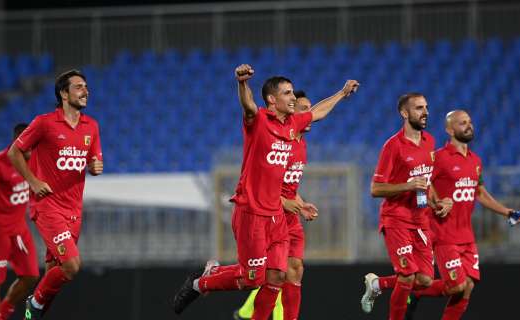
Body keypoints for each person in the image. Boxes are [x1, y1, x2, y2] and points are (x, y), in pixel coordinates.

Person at [172, 64, 359, 319]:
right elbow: (248, 105)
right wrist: (242, 84)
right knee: (252, 279)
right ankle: (203, 281)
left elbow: (317, 113)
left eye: (293, 93)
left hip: (276, 217)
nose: (293, 98)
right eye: (288, 93)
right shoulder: (258, 120)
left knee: (277, 276)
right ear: (272, 99)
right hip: (251, 213)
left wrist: (341, 93)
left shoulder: (292, 125)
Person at [402, 110, 520, 319]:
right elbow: (421, 185)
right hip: (443, 233)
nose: (468, 126)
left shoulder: (475, 161)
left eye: (469, 122)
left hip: (466, 236)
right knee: (457, 285)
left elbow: (479, 193)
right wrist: (431, 205)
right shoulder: (438, 157)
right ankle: (415, 291)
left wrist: (507, 212)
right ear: (449, 130)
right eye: (462, 123)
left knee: (467, 287)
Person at [7, 69, 103, 319]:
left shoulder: (91, 126)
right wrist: (33, 180)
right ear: (63, 93)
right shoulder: (44, 123)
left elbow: (94, 162)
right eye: (79, 87)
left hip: (74, 210)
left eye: (86, 86)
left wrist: (95, 167)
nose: (86, 91)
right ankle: (32, 305)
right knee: (72, 266)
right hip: (47, 206)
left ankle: (32, 313)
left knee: (53, 279)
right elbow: (14, 153)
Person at [360, 93, 448, 320]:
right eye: (419, 108)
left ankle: (378, 283)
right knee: (407, 276)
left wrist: (437, 202)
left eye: (426, 107)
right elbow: (376, 189)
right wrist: (407, 186)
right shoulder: (393, 146)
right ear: (404, 113)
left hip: (421, 220)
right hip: (396, 218)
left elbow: (426, 181)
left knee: (425, 280)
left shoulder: (430, 141)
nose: (426, 112)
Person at [233, 91, 318, 320]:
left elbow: (288, 185)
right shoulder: (282, 141)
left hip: (291, 213)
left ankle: (251, 312)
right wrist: (286, 203)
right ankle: (248, 311)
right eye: (303, 108)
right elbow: (265, 185)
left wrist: (300, 204)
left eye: (309, 109)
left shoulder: (300, 143)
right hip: (270, 214)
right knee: (273, 275)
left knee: (294, 269)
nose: (307, 113)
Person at [0, 123, 39, 320]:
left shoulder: (33, 159)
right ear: (16, 141)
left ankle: (4, 311)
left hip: (19, 228)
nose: (30, 147)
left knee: (31, 276)